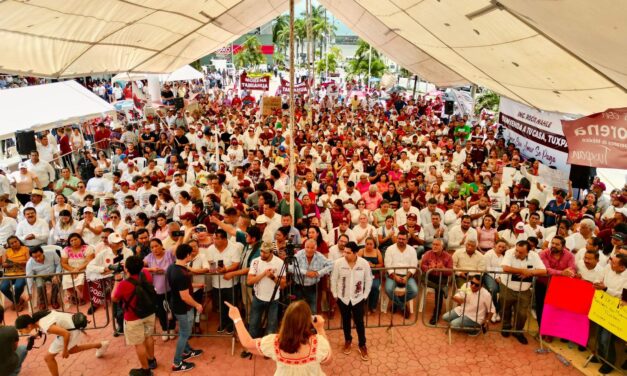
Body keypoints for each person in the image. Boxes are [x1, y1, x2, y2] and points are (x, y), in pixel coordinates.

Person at [226, 299, 331, 375]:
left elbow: (247, 343)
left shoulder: (274, 342)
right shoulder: (318, 343)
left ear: (286, 320)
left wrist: (237, 318)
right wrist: (320, 329)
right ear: (308, 322)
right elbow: (328, 360)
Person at [15, 310, 109, 376]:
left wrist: (64, 350)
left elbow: (66, 334)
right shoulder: (37, 317)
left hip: (71, 331)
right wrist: (35, 336)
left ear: (28, 326)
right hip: (71, 326)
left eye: (21, 330)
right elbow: (51, 325)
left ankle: (101, 345)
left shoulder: (44, 324)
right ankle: (101, 345)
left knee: (48, 358)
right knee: (72, 349)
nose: (21, 333)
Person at [111, 255, 158, 376]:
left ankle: (145, 370)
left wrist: (117, 281)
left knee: (139, 343)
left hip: (133, 317)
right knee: (148, 336)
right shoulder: (146, 275)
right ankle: (152, 360)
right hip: (149, 313)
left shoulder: (123, 284)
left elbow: (114, 298)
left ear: (126, 269)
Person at [331, 241, 372, 361]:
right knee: (346, 321)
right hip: (343, 298)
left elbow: (368, 280)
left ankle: (362, 345)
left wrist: (365, 295)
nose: (345, 254)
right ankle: (348, 340)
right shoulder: (338, 263)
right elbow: (333, 279)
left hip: (358, 298)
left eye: (348, 253)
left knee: (359, 322)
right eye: (344, 252)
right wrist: (335, 294)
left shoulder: (364, 263)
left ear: (355, 253)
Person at [166, 244, 204, 372]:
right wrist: (197, 305)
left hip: (176, 305)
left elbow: (182, 286)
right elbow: (185, 296)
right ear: (187, 255)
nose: (192, 255)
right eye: (191, 253)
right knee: (185, 333)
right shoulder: (182, 273)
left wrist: (196, 284)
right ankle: (177, 363)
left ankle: (187, 351)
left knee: (184, 330)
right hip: (183, 307)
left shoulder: (172, 267)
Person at [500, 240, 547, 344]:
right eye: (516, 250)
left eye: (520, 252)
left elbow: (543, 271)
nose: (517, 253)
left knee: (522, 313)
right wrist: (522, 271)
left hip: (524, 290)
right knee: (505, 309)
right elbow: (505, 268)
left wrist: (530, 272)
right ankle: (506, 327)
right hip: (507, 286)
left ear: (528, 252)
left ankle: (518, 331)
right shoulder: (509, 252)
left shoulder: (534, 256)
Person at [247, 241, 285, 343]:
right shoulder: (256, 261)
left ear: (272, 252)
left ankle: (269, 347)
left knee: (272, 325)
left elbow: (283, 284)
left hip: (273, 299)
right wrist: (263, 274)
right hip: (258, 298)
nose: (262, 254)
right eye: (261, 251)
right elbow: (249, 281)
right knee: (254, 323)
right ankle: (251, 346)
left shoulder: (280, 263)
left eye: (265, 252)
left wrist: (272, 277)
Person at [290, 238, 334, 314]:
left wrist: (318, 273)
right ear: (304, 247)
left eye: (312, 248)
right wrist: (305, 272)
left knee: (313, 310)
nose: (309, 250)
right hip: (298, 286)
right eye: (307, 247)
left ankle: (312, 325)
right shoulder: (299, 254)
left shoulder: (319, 256)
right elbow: (289, 267)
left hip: (313, 287)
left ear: (316, 248)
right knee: (298, 310)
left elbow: (331, 265)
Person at [384, 231, 418, 318]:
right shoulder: (390, 249)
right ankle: (402, 306)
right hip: (393, 275)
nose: (401, 240)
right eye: (399, 238)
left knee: (414, 291)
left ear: (407, 240)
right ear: (396, 238)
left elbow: (414, 265)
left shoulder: (412, 250)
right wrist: (395, 277)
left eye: (403, 239)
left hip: (407, 276)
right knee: (388, 289)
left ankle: (396, 303)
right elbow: (388, 265)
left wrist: (407, 277)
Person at [420, 238, 453, 325]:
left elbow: (450, 272)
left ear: (442, 247)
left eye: (437, 245)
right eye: (433, 244)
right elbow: (422, 266)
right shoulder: (428, 253)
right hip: (429, 277)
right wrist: (429, 268)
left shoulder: (448, 257)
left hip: (441, 278)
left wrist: (442, 268)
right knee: (423, 279)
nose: (434, 246)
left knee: (439, 292)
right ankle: (442, 288)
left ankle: (436, 315)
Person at [25, 246, 62, 310]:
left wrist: (57, 274)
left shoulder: (52, 254)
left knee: (57, 282)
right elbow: (29, 278)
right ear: (31, 257)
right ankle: (42, 302)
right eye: (35, 257)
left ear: (43, 252)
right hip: (39, 276)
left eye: (39, 255)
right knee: (40, 285)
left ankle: (54, 301)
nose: (38, 258)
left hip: (53, 273)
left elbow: (58, 264)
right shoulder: (29, 263)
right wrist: (29, 292)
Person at [1, 236, 30, 311]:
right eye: (12, 243)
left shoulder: (26, 249)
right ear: (9, 245)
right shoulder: (7, 251)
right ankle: (17, 301)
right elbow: (3, 264)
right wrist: (8, 264)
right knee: (3, 287)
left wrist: (19, 262)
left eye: (15, 241)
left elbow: (29, 262)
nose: (14, 244)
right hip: (9, 274)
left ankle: (16, 302)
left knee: (18, 286)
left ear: (19, 241)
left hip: (23, 273)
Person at [0, 304, 28, 376]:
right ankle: (13, 373)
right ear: (2, 317)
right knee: (23, 348)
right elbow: (15, 348)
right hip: (8, 368)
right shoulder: (11, 330)